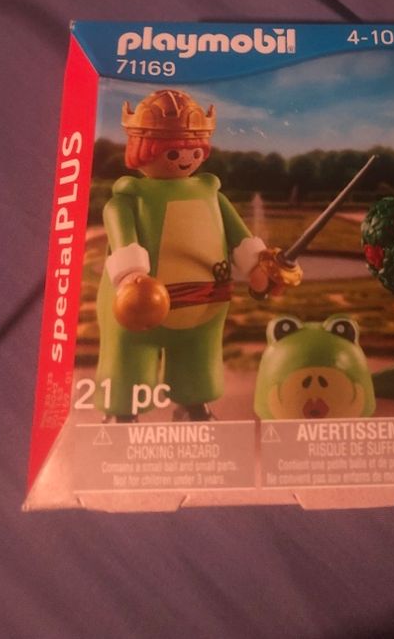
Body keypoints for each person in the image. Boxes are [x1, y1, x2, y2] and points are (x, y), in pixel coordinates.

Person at [95, 88, 300, 421]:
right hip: (144, 305)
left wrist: (258, 268)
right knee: (129, 359)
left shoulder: (210, 192)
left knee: (198, 356)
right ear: (142, 150)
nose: (186, 159)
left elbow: (240, 239)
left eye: (194, 151)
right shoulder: (130, 199)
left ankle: (195, 404)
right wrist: (132, 277)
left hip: (206, 302)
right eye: (174, 152)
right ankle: (123, 411)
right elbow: (124, 242)